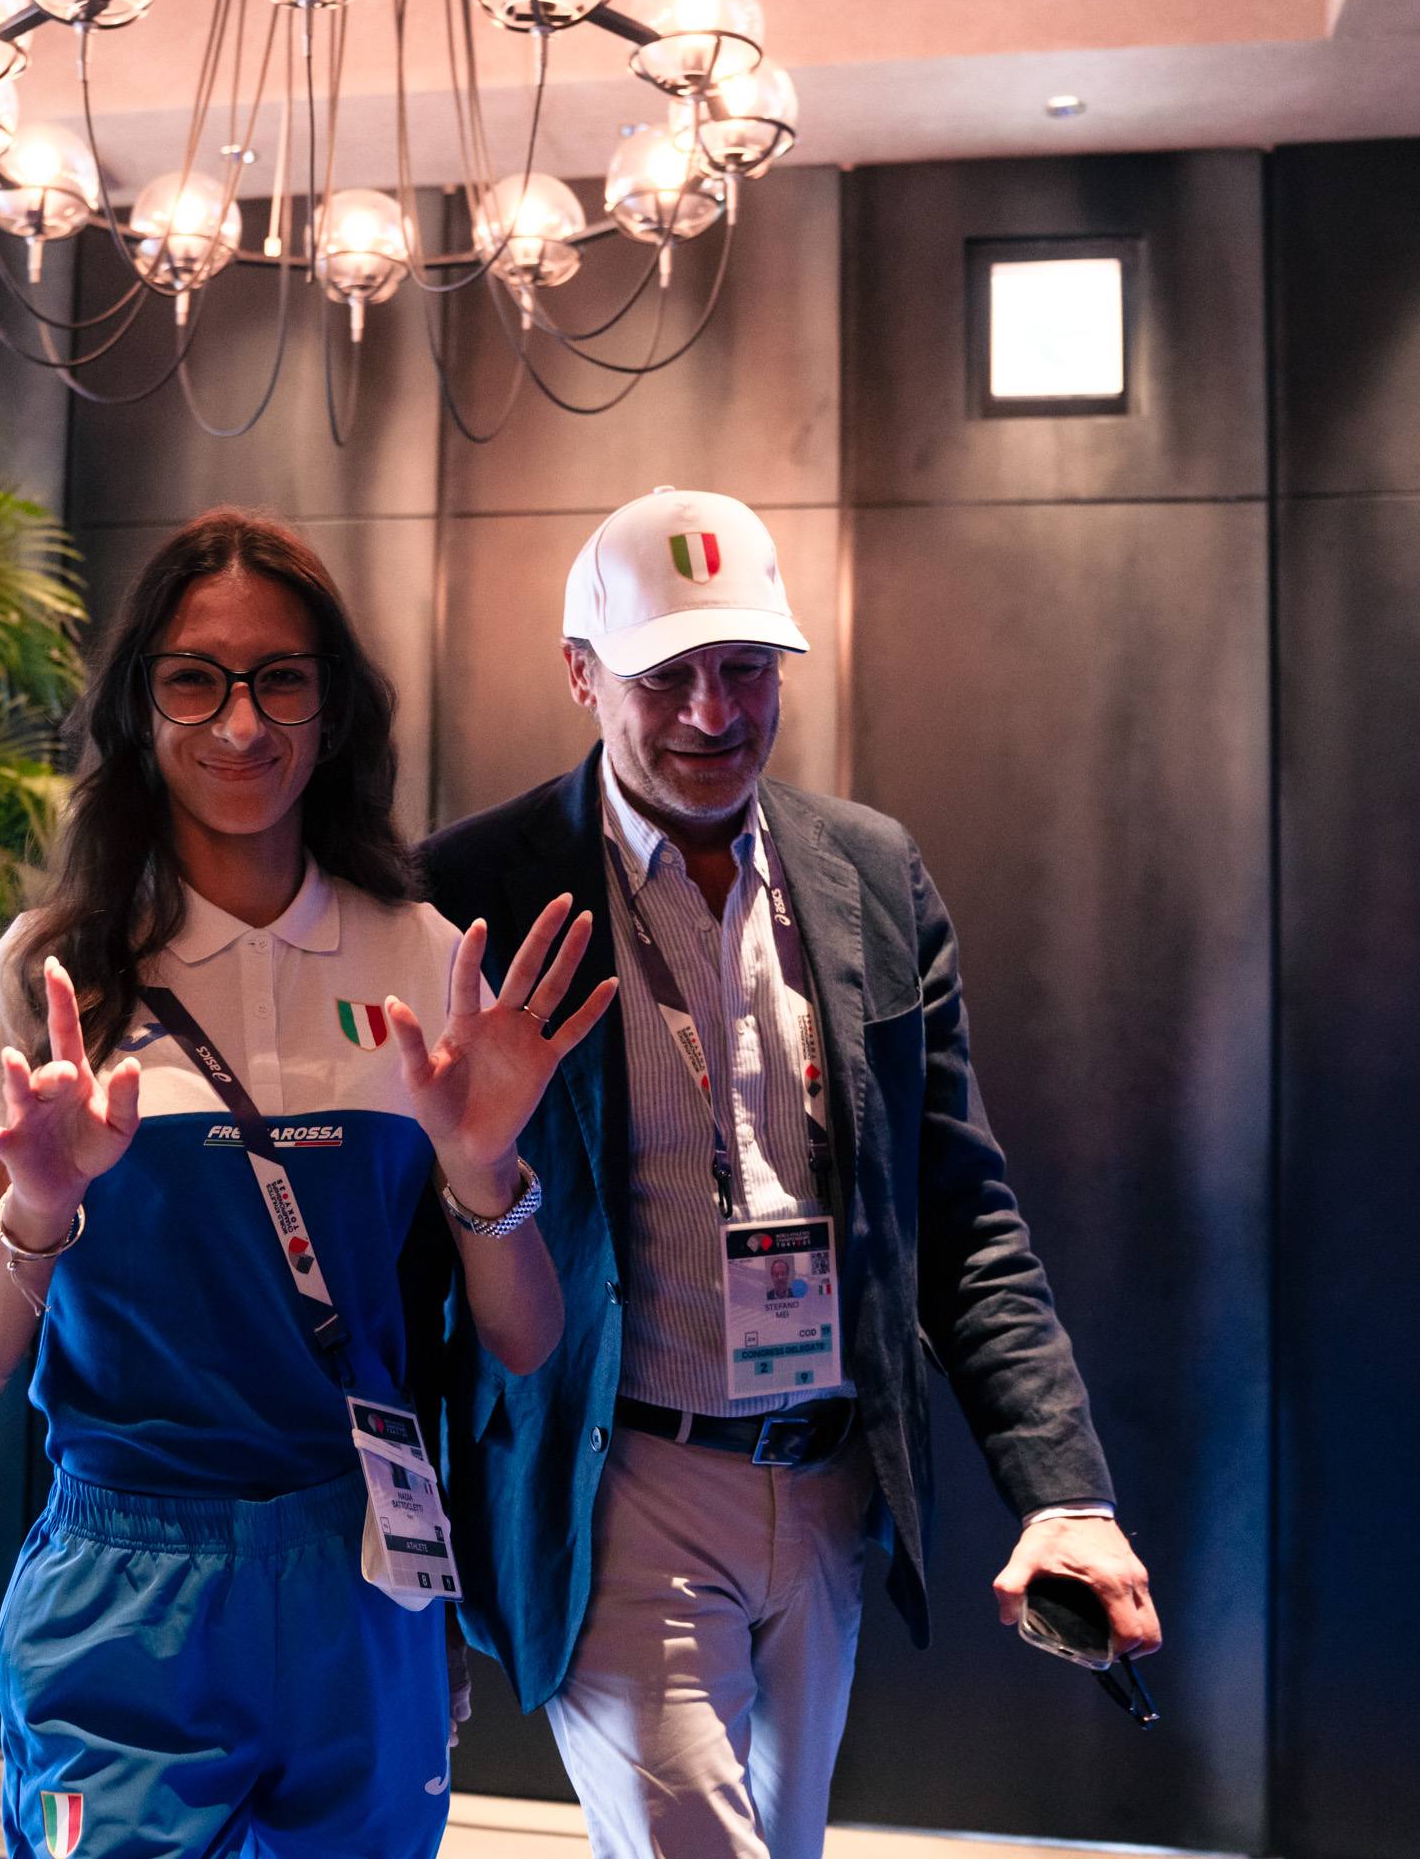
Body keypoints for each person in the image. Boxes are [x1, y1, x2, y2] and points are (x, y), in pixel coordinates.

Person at [415, 488, 1162, 1859]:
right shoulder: (474, 891)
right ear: (581, 673)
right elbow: (411, 1270)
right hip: (614, 1479)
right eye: (667, 675)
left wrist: (1065, 1494)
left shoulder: (871, 871)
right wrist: (414, 1571)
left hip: (829, 1483)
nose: (714, 712)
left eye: (747, 667)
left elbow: (962, 1220)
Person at [0, 508, 614, 1859]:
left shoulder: (421, 958)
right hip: (124, 1578)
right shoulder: (54, 977)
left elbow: (528, 1341)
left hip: (363, 1567)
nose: (240, 723)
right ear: (140, 706)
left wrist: (481, 1167)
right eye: (195, 679)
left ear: (332, 708)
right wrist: (38, 1212)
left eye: (281, 678)